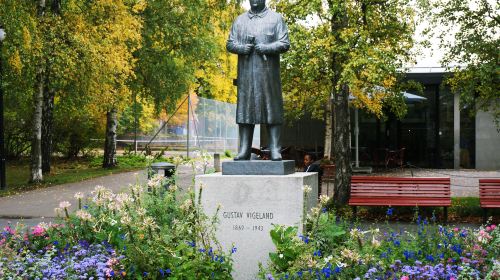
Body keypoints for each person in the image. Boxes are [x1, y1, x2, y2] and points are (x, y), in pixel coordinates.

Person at [226, 0, 290, 161]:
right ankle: (244, 150)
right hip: (246, 76)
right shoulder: (240, 20)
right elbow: (230, 43)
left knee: (272, 110)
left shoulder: (276, 19)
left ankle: (275, 149)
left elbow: (284, 43)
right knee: (245, 112)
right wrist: (242, 48)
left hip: (269, 76)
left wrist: (267, 48)